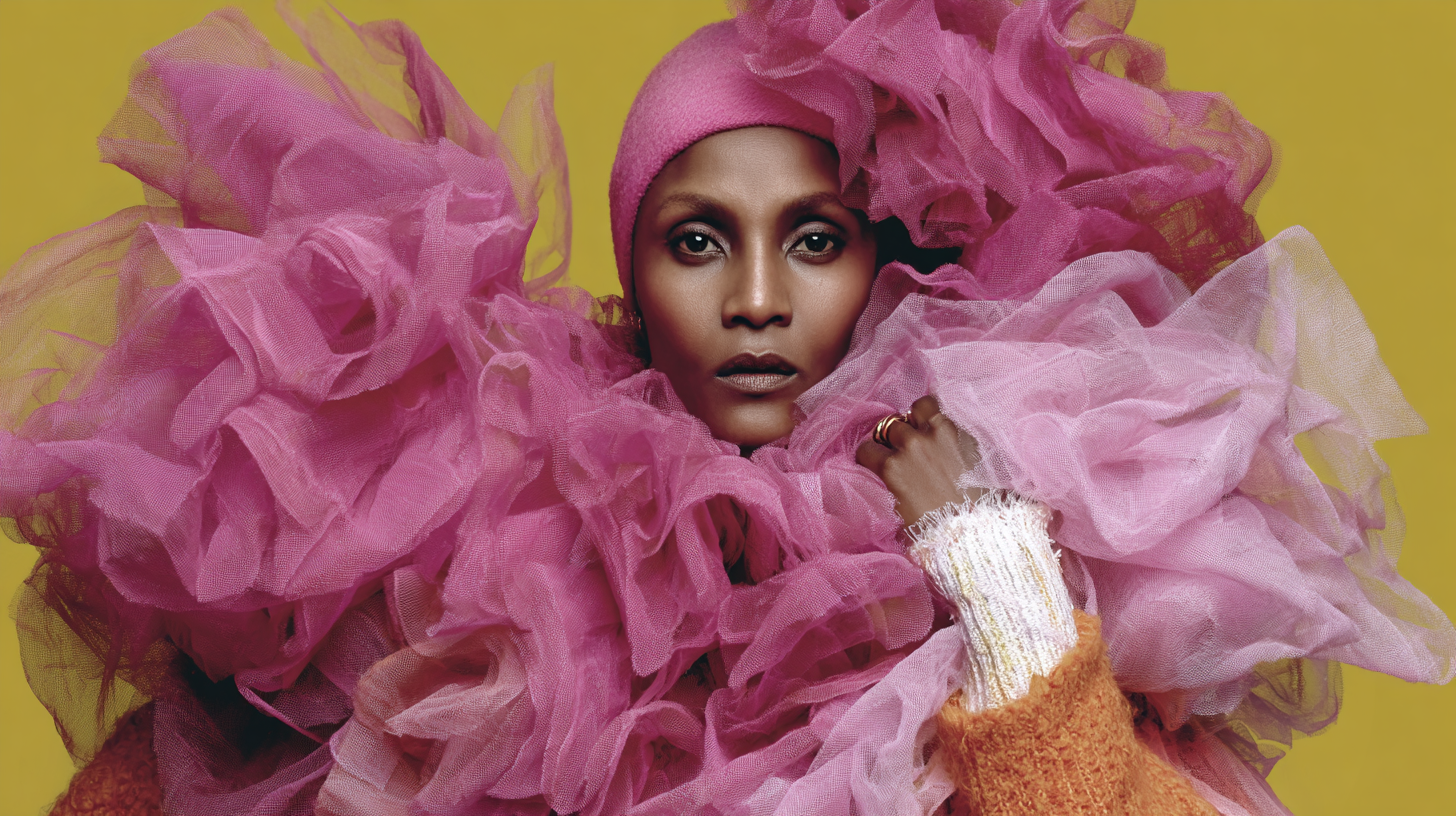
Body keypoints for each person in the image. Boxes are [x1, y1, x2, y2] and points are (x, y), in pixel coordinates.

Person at [3, 1, 1451, 815]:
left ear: (882, 262)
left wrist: (999, 592)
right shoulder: (476, 531)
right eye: (698, 239)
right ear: (632, 276)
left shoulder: (1017, 507)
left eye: (813, 239)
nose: (757, 296)